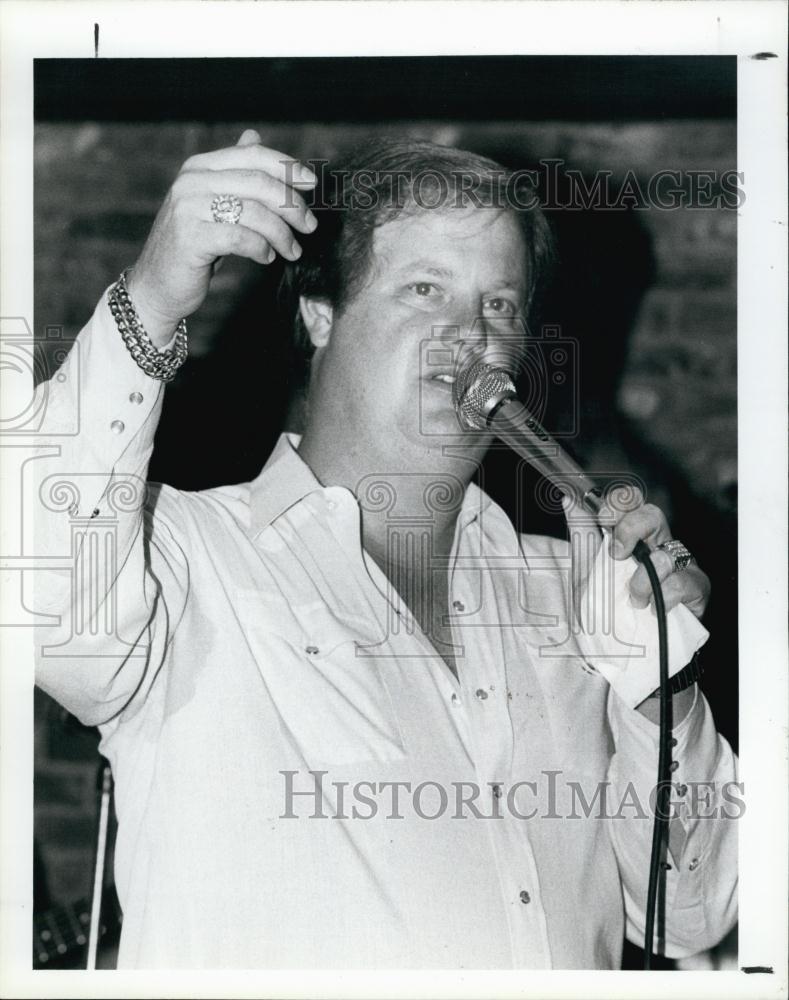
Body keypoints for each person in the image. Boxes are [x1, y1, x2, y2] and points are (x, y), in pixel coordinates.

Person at [34, 130, 737, 969]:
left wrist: (661, 684)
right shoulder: (189, 557)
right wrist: (151, 298)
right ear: (318, 315)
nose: (468, 334)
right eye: (423, 290)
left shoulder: (573, 598)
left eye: (498, 304)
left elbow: (690, 917)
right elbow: (44, 610)